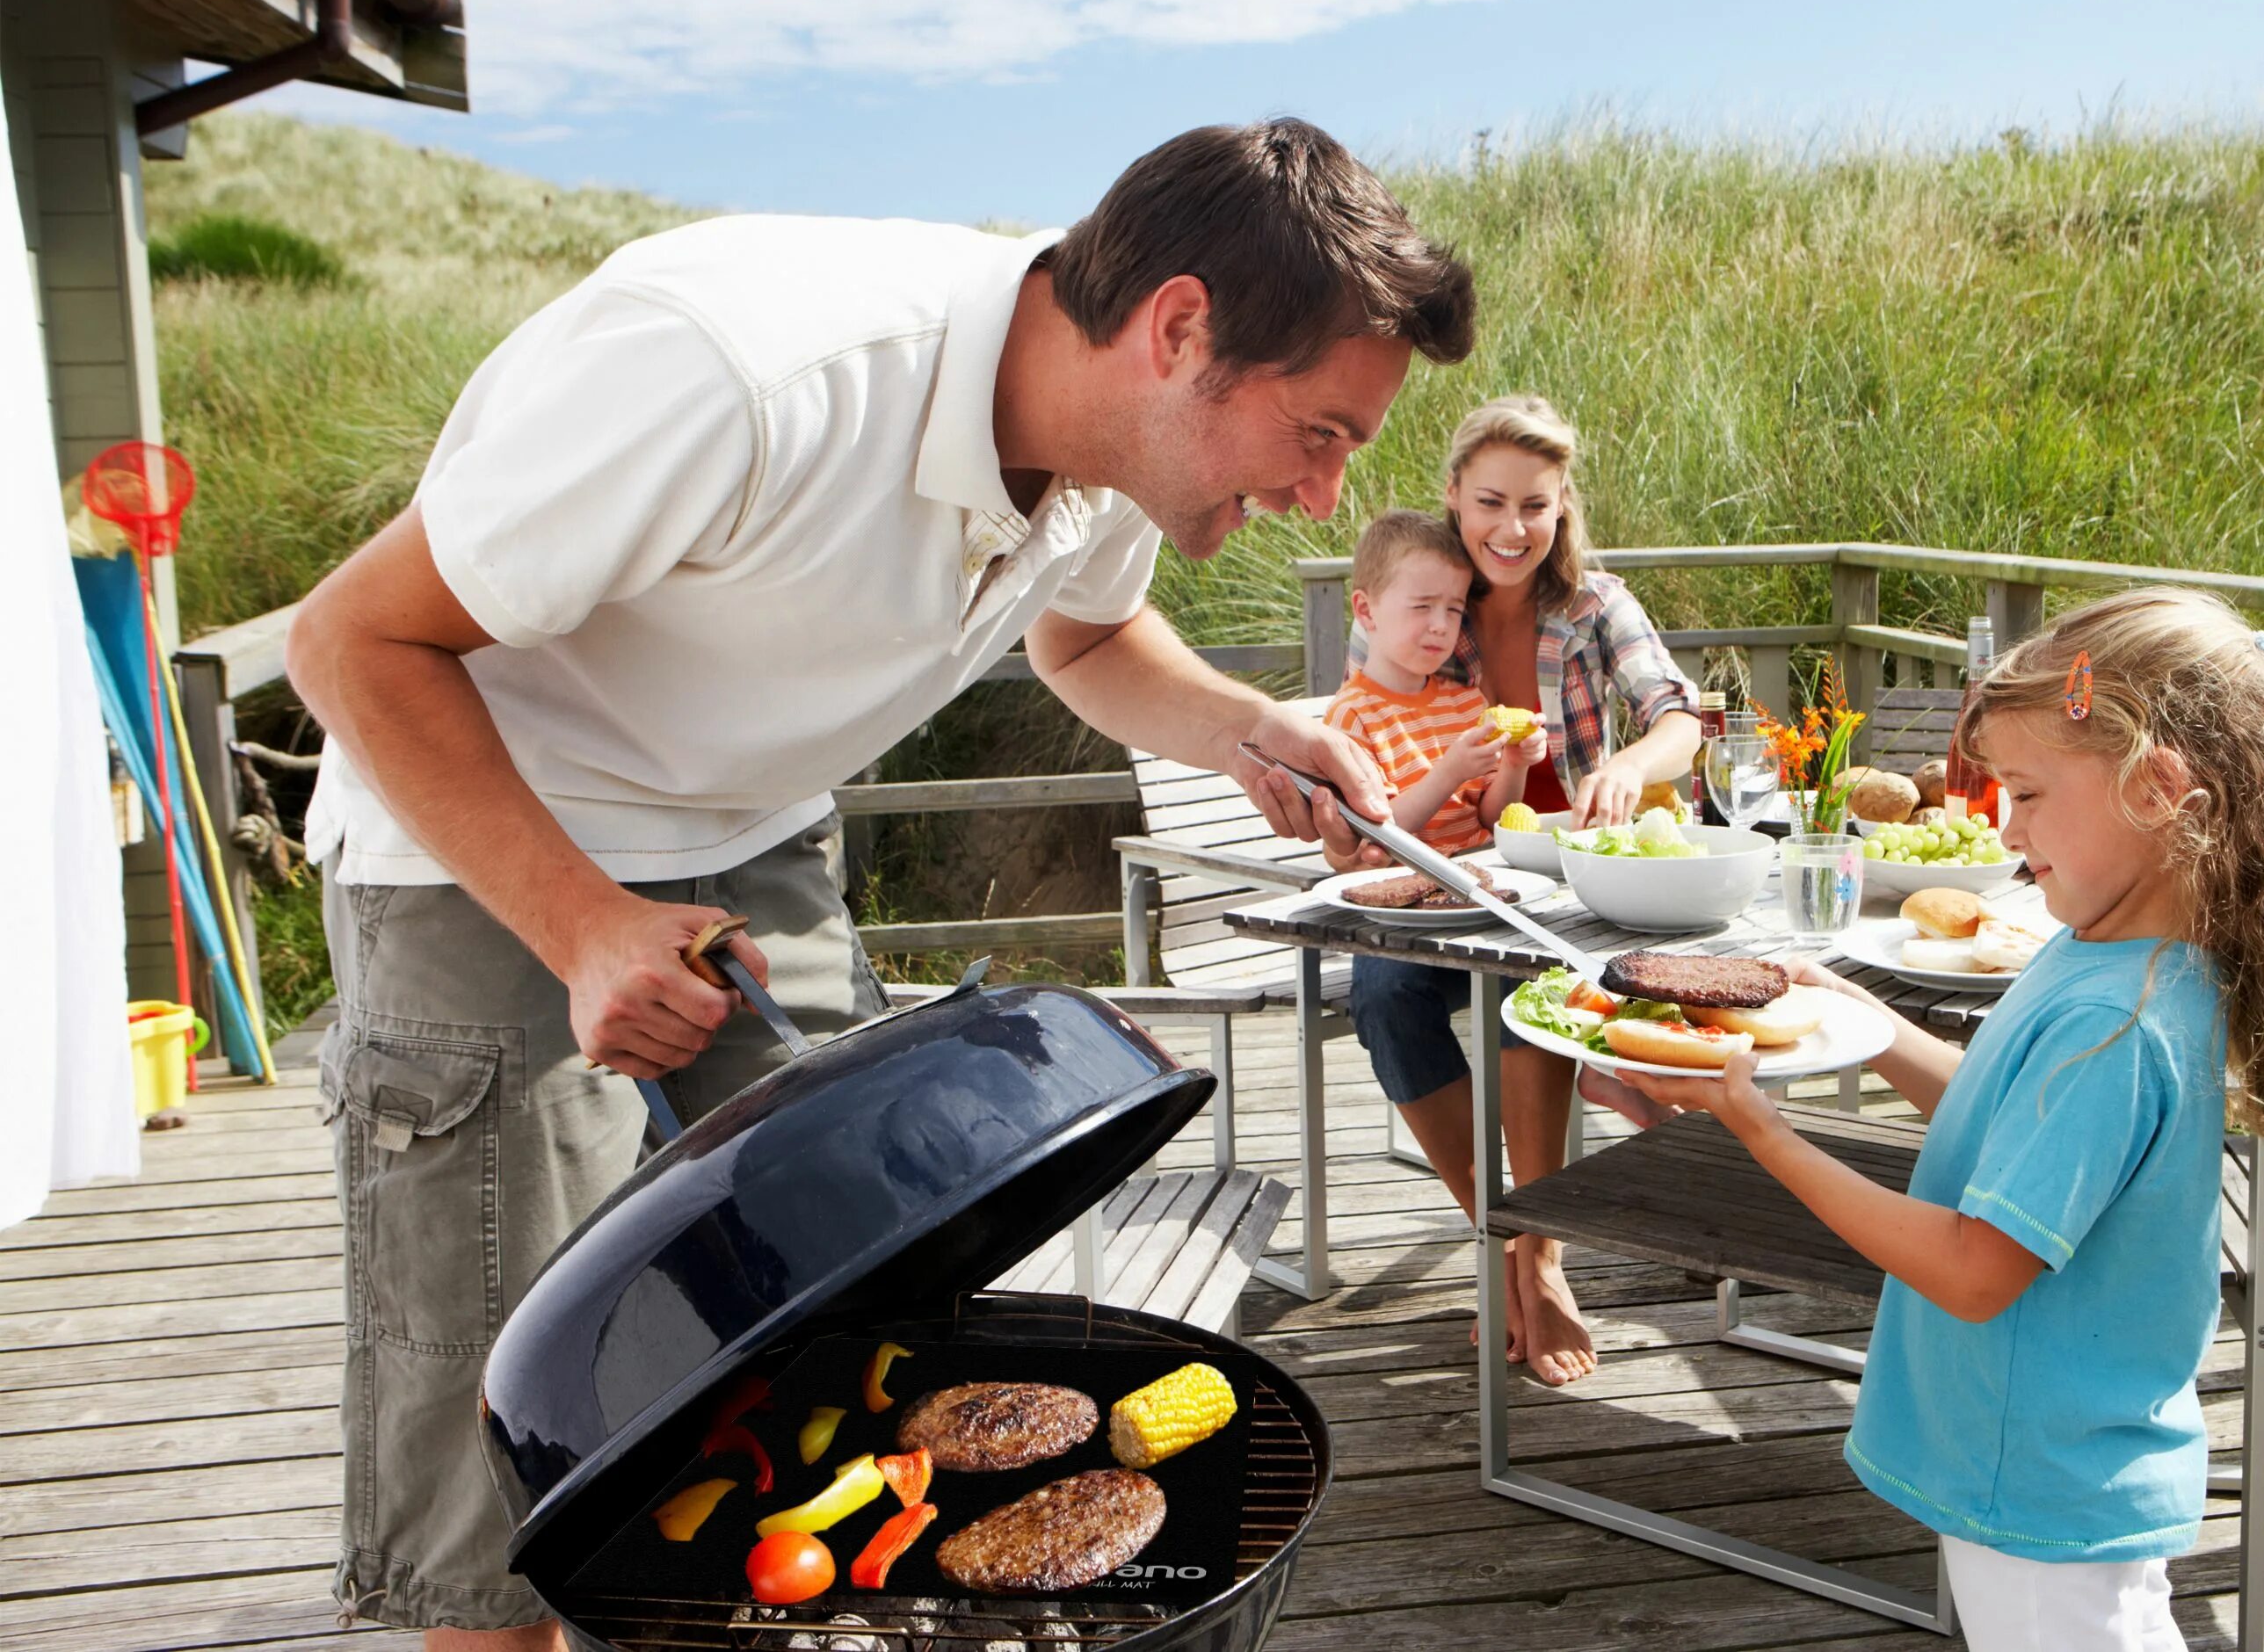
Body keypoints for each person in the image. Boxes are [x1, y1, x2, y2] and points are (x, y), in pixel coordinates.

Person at [285, 118, 1474, 1648]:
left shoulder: (1106, 444)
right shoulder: (738, 374)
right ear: (1181, 331)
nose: (1325, 497)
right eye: (1323, 434)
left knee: (834, 1351)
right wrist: (580, 923)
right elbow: (348, 642)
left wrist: (1250, 727)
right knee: (506, 1470)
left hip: (756, 840)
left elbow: (1091, 641)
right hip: (487, 849)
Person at [1627, 588, 2264, 1650]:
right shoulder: (2111, 954)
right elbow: (2004, 1116)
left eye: (2031, 793)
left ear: (2159, 789)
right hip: (2050, 1462)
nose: (2006, 825)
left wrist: (1759, 1126)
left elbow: (1972, 1268)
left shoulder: (2117, 1024)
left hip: (2045, 1487)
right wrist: (1857, 1013)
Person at [1331, 395, 1703, 1386]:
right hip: (1454, 897)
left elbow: (1678, 715)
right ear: (1454, 497)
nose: (1511, 528)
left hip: (1570, 895)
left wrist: (1629, 766)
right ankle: (1501, 1233)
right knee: (1380, 994)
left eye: (1534, 505)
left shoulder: (1593, 604)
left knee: (1522, 993)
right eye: (1490, 501)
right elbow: (1366, 758)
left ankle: (1541, 1253)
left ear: (1561, 505)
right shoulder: (1423, 604)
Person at [1324, 510, 1550, 851]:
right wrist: (1450, 772)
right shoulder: (1352, 717)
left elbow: (1492, 819)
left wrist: (1515, 765)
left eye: (1454, 609)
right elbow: (1375, 832)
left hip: (1485, 874)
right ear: (1367, 611)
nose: (1441, 625)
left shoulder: (1467, 703)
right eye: (1422, 606)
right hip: (1405, 886)